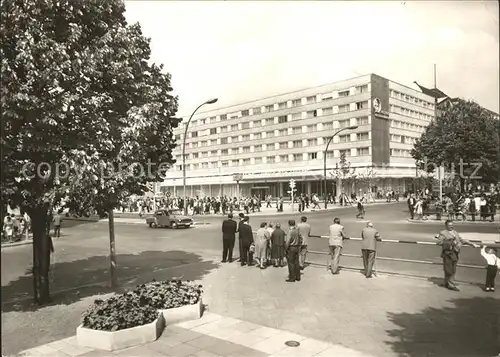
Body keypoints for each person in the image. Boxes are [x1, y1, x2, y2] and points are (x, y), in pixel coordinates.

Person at [434, 220, 478, 291]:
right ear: (446, 226)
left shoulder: (455, 232)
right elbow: (440, 242)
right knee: (449, 270)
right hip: (448, 253)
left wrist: (471, 243)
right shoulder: (443, 233)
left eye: (452, 225)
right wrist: (450, 242)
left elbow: (460, 240)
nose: (451, 226)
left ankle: (447, 283)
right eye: (449, 225)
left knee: (452, 269)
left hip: (455, 253)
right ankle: (451, 284)